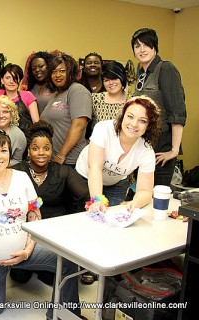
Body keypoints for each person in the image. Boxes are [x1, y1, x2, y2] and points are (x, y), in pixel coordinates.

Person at [0, 129, 81, 318]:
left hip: (28, 252)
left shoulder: (21, 177)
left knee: (68, 260)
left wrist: (29, 248)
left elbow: (35, 212)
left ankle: (63, 314)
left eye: (3, 150)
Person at [9, 120, 89, 286]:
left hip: (54, 232)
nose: (41, 153)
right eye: (35, 148)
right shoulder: (17, 171)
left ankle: (46, 266)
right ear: (28, 151)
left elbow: (84, 194)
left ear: (52, 150)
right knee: (20, 277)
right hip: (25, 231)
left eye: (46, 148)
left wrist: (75, 223)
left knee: (52, 279)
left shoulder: (63, 171)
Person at [75, 96, 161, 211]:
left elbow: (145, 190)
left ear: (149, 125)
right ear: (122, 116)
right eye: (130, 117)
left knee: (112, 220)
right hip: (85, 178)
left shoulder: (146, 151)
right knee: (88, 216)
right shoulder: (103, 129)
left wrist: (135, 202)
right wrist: (97, 200)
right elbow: (95, 167)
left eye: (143, 121)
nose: (134, 124)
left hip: (116, 184)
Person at [131, 28, 187, 186]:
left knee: (157, 196)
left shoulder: (166, 69)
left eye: (146, 45)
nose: (142, 50)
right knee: (142, 193)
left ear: (155, 47)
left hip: (162, 145)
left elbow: (177, 112)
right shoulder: (142, 73)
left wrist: (174, 150)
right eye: (137, 46)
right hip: (143, 143)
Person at [41, 54, 92, 166]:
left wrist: (61, 155)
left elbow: (79, 125)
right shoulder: (55, 95)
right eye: (54, 72)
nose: (57, 75)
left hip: (70, 161)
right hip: (53, 159)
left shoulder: (77, 91)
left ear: (71, 72)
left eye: (62, 71)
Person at [0, 63, 39, 139]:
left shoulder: (28, 96)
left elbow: (36, 123)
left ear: (20, 80)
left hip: (25, 139)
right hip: (1, 140)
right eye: (8, 78)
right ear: (2, 81)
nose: (11, 81)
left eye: (15, 78)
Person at [0, 95, 26, 166]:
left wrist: (0, 164)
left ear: (12, 114)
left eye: (5, 112)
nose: (1, 116)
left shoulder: (19, 135)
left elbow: (17, 161)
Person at [91, 61, 132, 130]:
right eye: (106, 80)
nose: (111, 83)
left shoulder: (132, 101)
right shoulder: (95, 99)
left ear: (122, 78)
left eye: (115, 79)